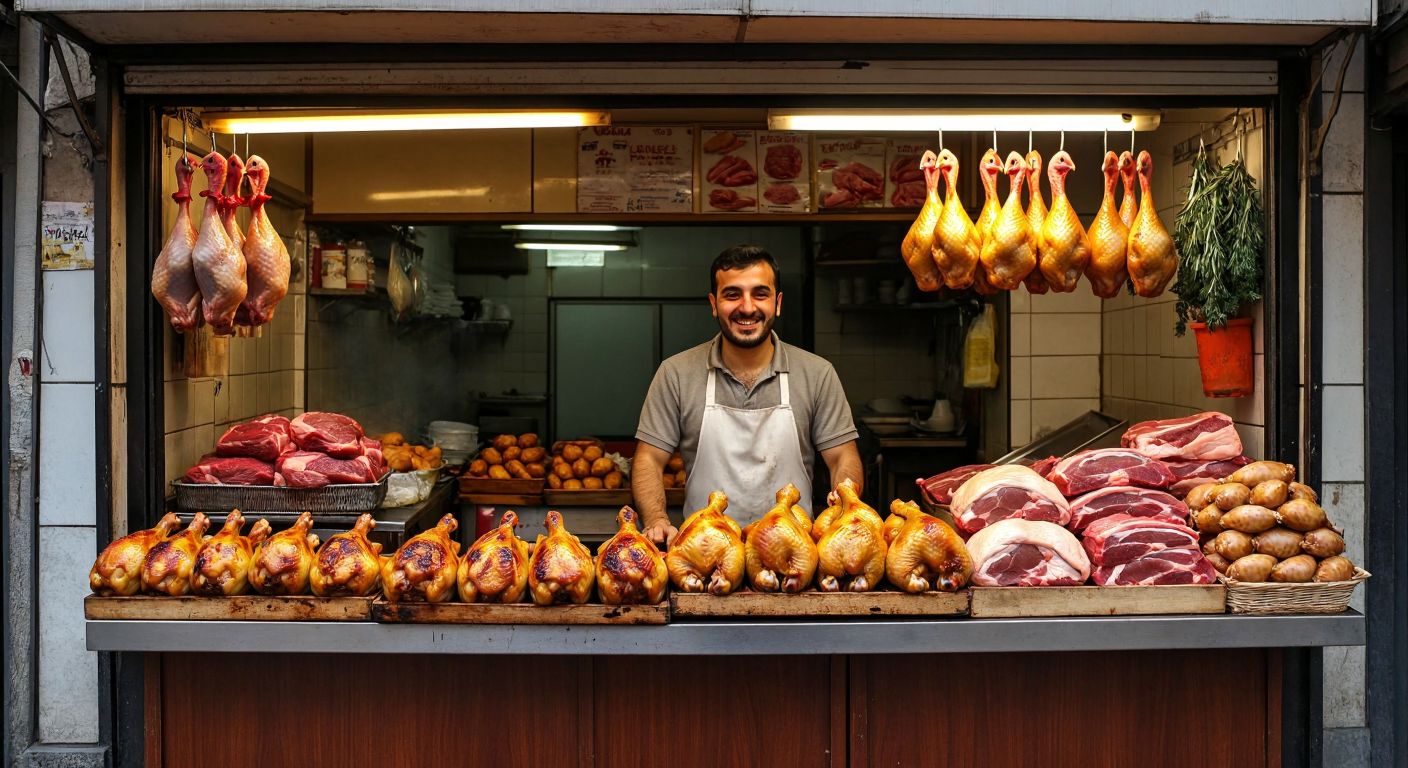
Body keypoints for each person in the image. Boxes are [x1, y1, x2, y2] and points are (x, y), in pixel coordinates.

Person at [632, 244, 863, 545]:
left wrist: (846, 502)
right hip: (703, 554)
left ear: (777, 303)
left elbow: (843, 456)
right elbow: (648, 459)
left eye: (760, 293)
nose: (747, 307)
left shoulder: (816, 373)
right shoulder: (676, 373)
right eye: (732, 294)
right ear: (714, 304)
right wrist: (656, 520)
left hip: (793, 555)